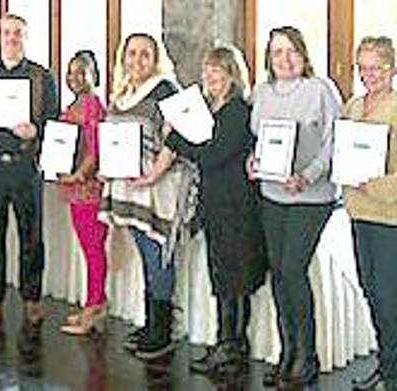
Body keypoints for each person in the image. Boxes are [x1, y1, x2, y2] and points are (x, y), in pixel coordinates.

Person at [162, 47, 267, 376]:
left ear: (233, 74)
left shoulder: (236, 111)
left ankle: (232, 346)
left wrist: (176, 138)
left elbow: (210, 155)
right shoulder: (210, 108)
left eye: (218, 71)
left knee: (233, 278)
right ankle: (227, 342)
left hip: (236, 207)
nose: (210, 76)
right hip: (216, 205)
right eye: (207, 70)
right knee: (222, 276)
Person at [249, 26, 340, 388]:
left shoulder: (321, 90)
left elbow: (334, 141)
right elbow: (258, 141)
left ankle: (307, 355)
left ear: (304, 55)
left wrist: (308, 175)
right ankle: (287, 351)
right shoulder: (261, 92)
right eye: (276, 53)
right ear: (268, 59)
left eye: (291, 52)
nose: (284, 59)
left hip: (312, 196)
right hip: (273, 193)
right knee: (277, 270)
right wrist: (253, 163)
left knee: (292, 268)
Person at [99, 33, 197, 360]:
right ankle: (150, 322)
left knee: (158, 255)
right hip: (129, 187)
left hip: (158, 186)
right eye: (132, 53)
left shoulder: (166, 89)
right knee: (145, 254)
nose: (138, 60)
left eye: (145, 54)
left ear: (156, 58)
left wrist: (154, 172)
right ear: (123, 58)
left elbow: (181, 136)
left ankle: (163, 329)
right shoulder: (123, 92)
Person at [0, 13, 58, 334]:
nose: (11, 38)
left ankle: (31, 298)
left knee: (31, 236)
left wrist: (36, 130)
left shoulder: (41, 76)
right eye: (6, 33)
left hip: (26, 167)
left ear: (26, 37)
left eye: (17, 33)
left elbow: (54, 121)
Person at [342, 36, 397, 391]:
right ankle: (386, 363)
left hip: (390, 217)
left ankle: (393, 374)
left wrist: (372, 185)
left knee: (390, 298)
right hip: (358, 213)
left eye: (376, 67)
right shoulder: (353, 105)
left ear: (392, 68)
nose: (368, 75)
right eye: (362, 68)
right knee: (371, 291)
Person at [55, 50, 109, 336]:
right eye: (71, 71)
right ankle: (93, 302)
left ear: (94, 75)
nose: (75, 77)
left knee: (93, 249)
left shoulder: (92, 105)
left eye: (82, 71)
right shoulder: (75, 104)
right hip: (74, 187)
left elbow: (95, 148)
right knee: (88, 249)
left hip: (87, 188)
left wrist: (79, 174)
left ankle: (95, 306)